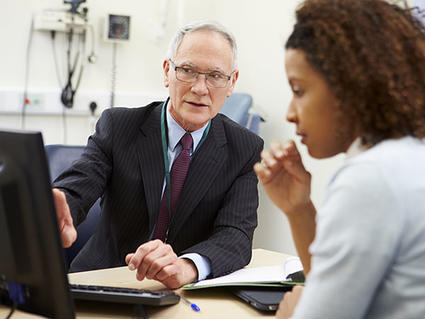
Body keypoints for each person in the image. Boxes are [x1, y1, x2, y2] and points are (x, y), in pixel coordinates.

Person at [53, 21, 263, 289]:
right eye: (187, 70)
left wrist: (187, 267)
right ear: (167, 71)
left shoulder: (244, 148)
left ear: (231, 82)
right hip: (102, 281)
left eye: (215, 76)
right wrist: (56, 210)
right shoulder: (119, 126)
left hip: (178, 291)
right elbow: (77, 187)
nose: (200, 88)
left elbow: (236, 235)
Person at [254, 0, 425, 318]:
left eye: (299, 90)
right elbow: (339, 287)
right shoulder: (407, 157)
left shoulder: (371, 177)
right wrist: (298, 209)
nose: (290, 113)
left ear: (350, 85)